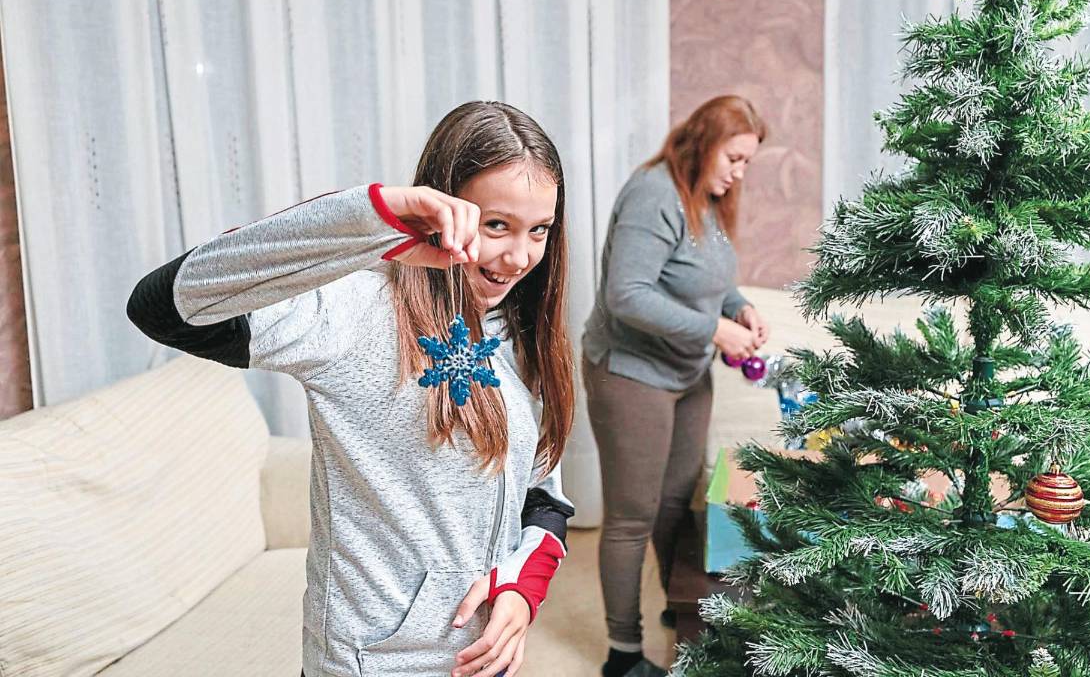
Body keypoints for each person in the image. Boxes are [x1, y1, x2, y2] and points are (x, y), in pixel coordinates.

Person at [127, 101, 575, 677]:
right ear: (442, 205)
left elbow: (543, 495)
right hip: (373, 663)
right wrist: (373, 220)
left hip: (483, 659)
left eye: (538, 230)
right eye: (496, 226)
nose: (519, 257)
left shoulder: (520, 329)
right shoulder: (355, 311)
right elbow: (164, 307)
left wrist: (520, 589)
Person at [582, 95, 770, 677]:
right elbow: (627, 294)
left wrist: (737, 307)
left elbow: (701, 276)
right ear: (702, 142)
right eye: (734, 158)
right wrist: (714, 329)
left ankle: (679, 609)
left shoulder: (705, 199)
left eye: (747, 163)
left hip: (688, 374)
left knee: (675, 502)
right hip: (633, 375)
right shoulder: (654, 194)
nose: (739, 173)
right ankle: (624, 654)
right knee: (632, 517)